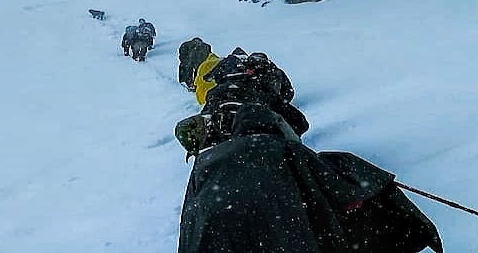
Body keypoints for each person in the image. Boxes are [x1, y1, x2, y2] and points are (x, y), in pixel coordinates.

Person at [176, 103, 443, 253]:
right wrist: (375, 182)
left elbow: (190, 214)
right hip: (281, 232)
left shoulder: (206, 160)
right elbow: (334, 181)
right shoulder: (285, 148)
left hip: (214, 235)